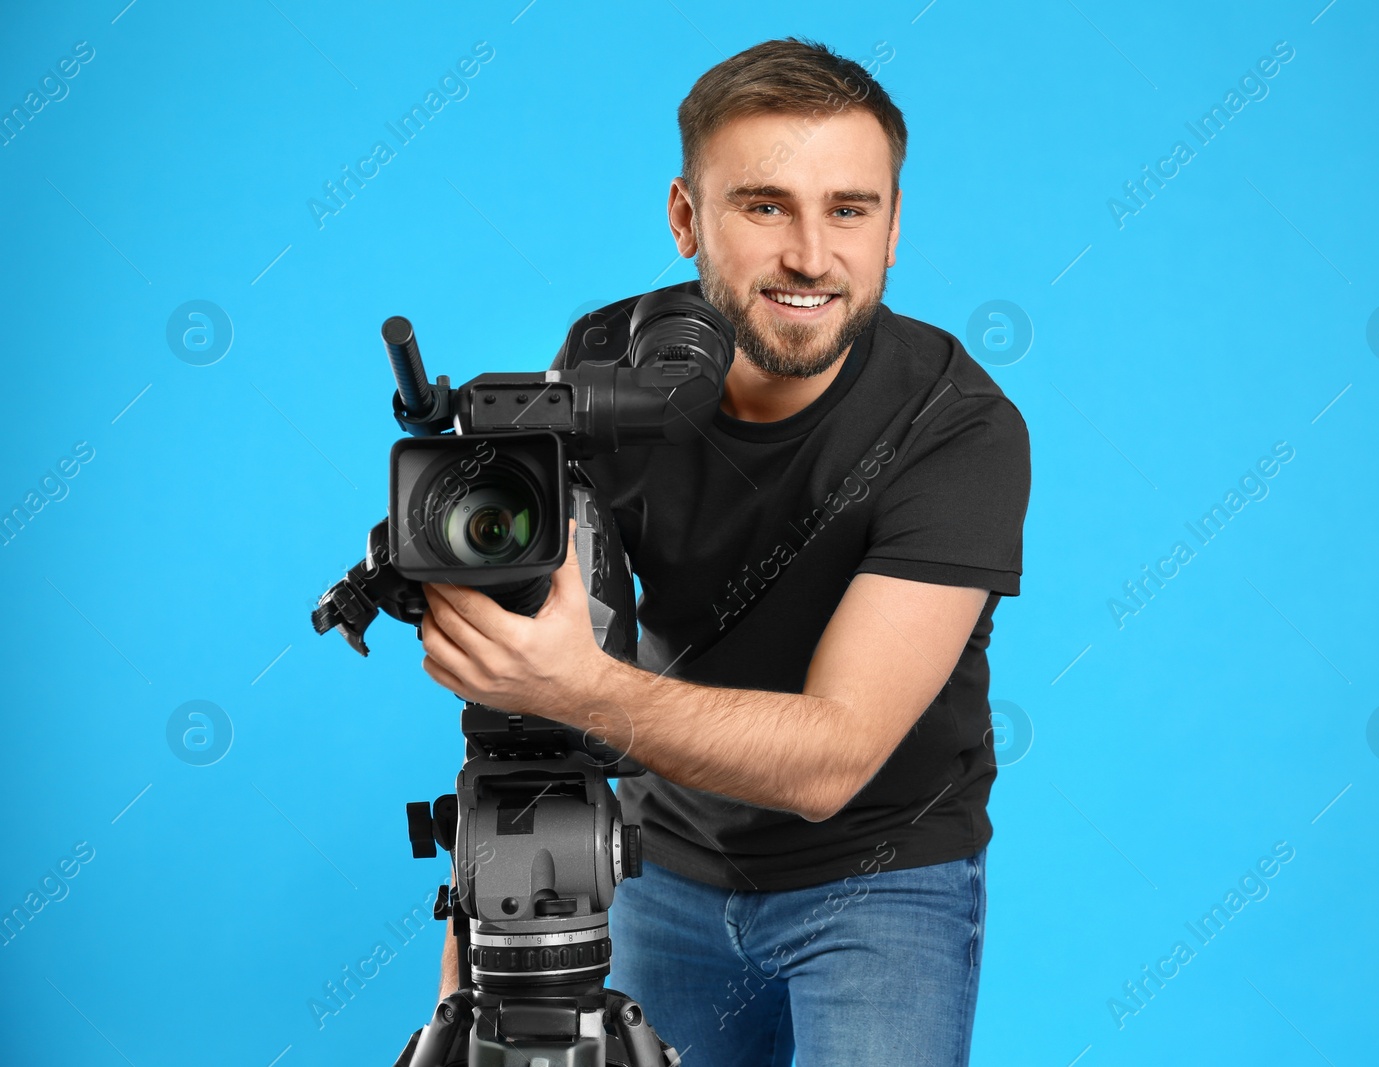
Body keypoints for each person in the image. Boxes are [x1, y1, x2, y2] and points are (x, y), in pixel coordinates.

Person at [417, 37, 1030, 1065]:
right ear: (685, 219)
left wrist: (575, 686)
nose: (809, 254)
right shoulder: (605, 366)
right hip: (662, 864)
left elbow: (832, 756)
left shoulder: (957, 425)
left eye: (849, 208)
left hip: (881, 878)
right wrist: (470, 970)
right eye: (763, 205)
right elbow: (527, 690)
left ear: (891, 231)